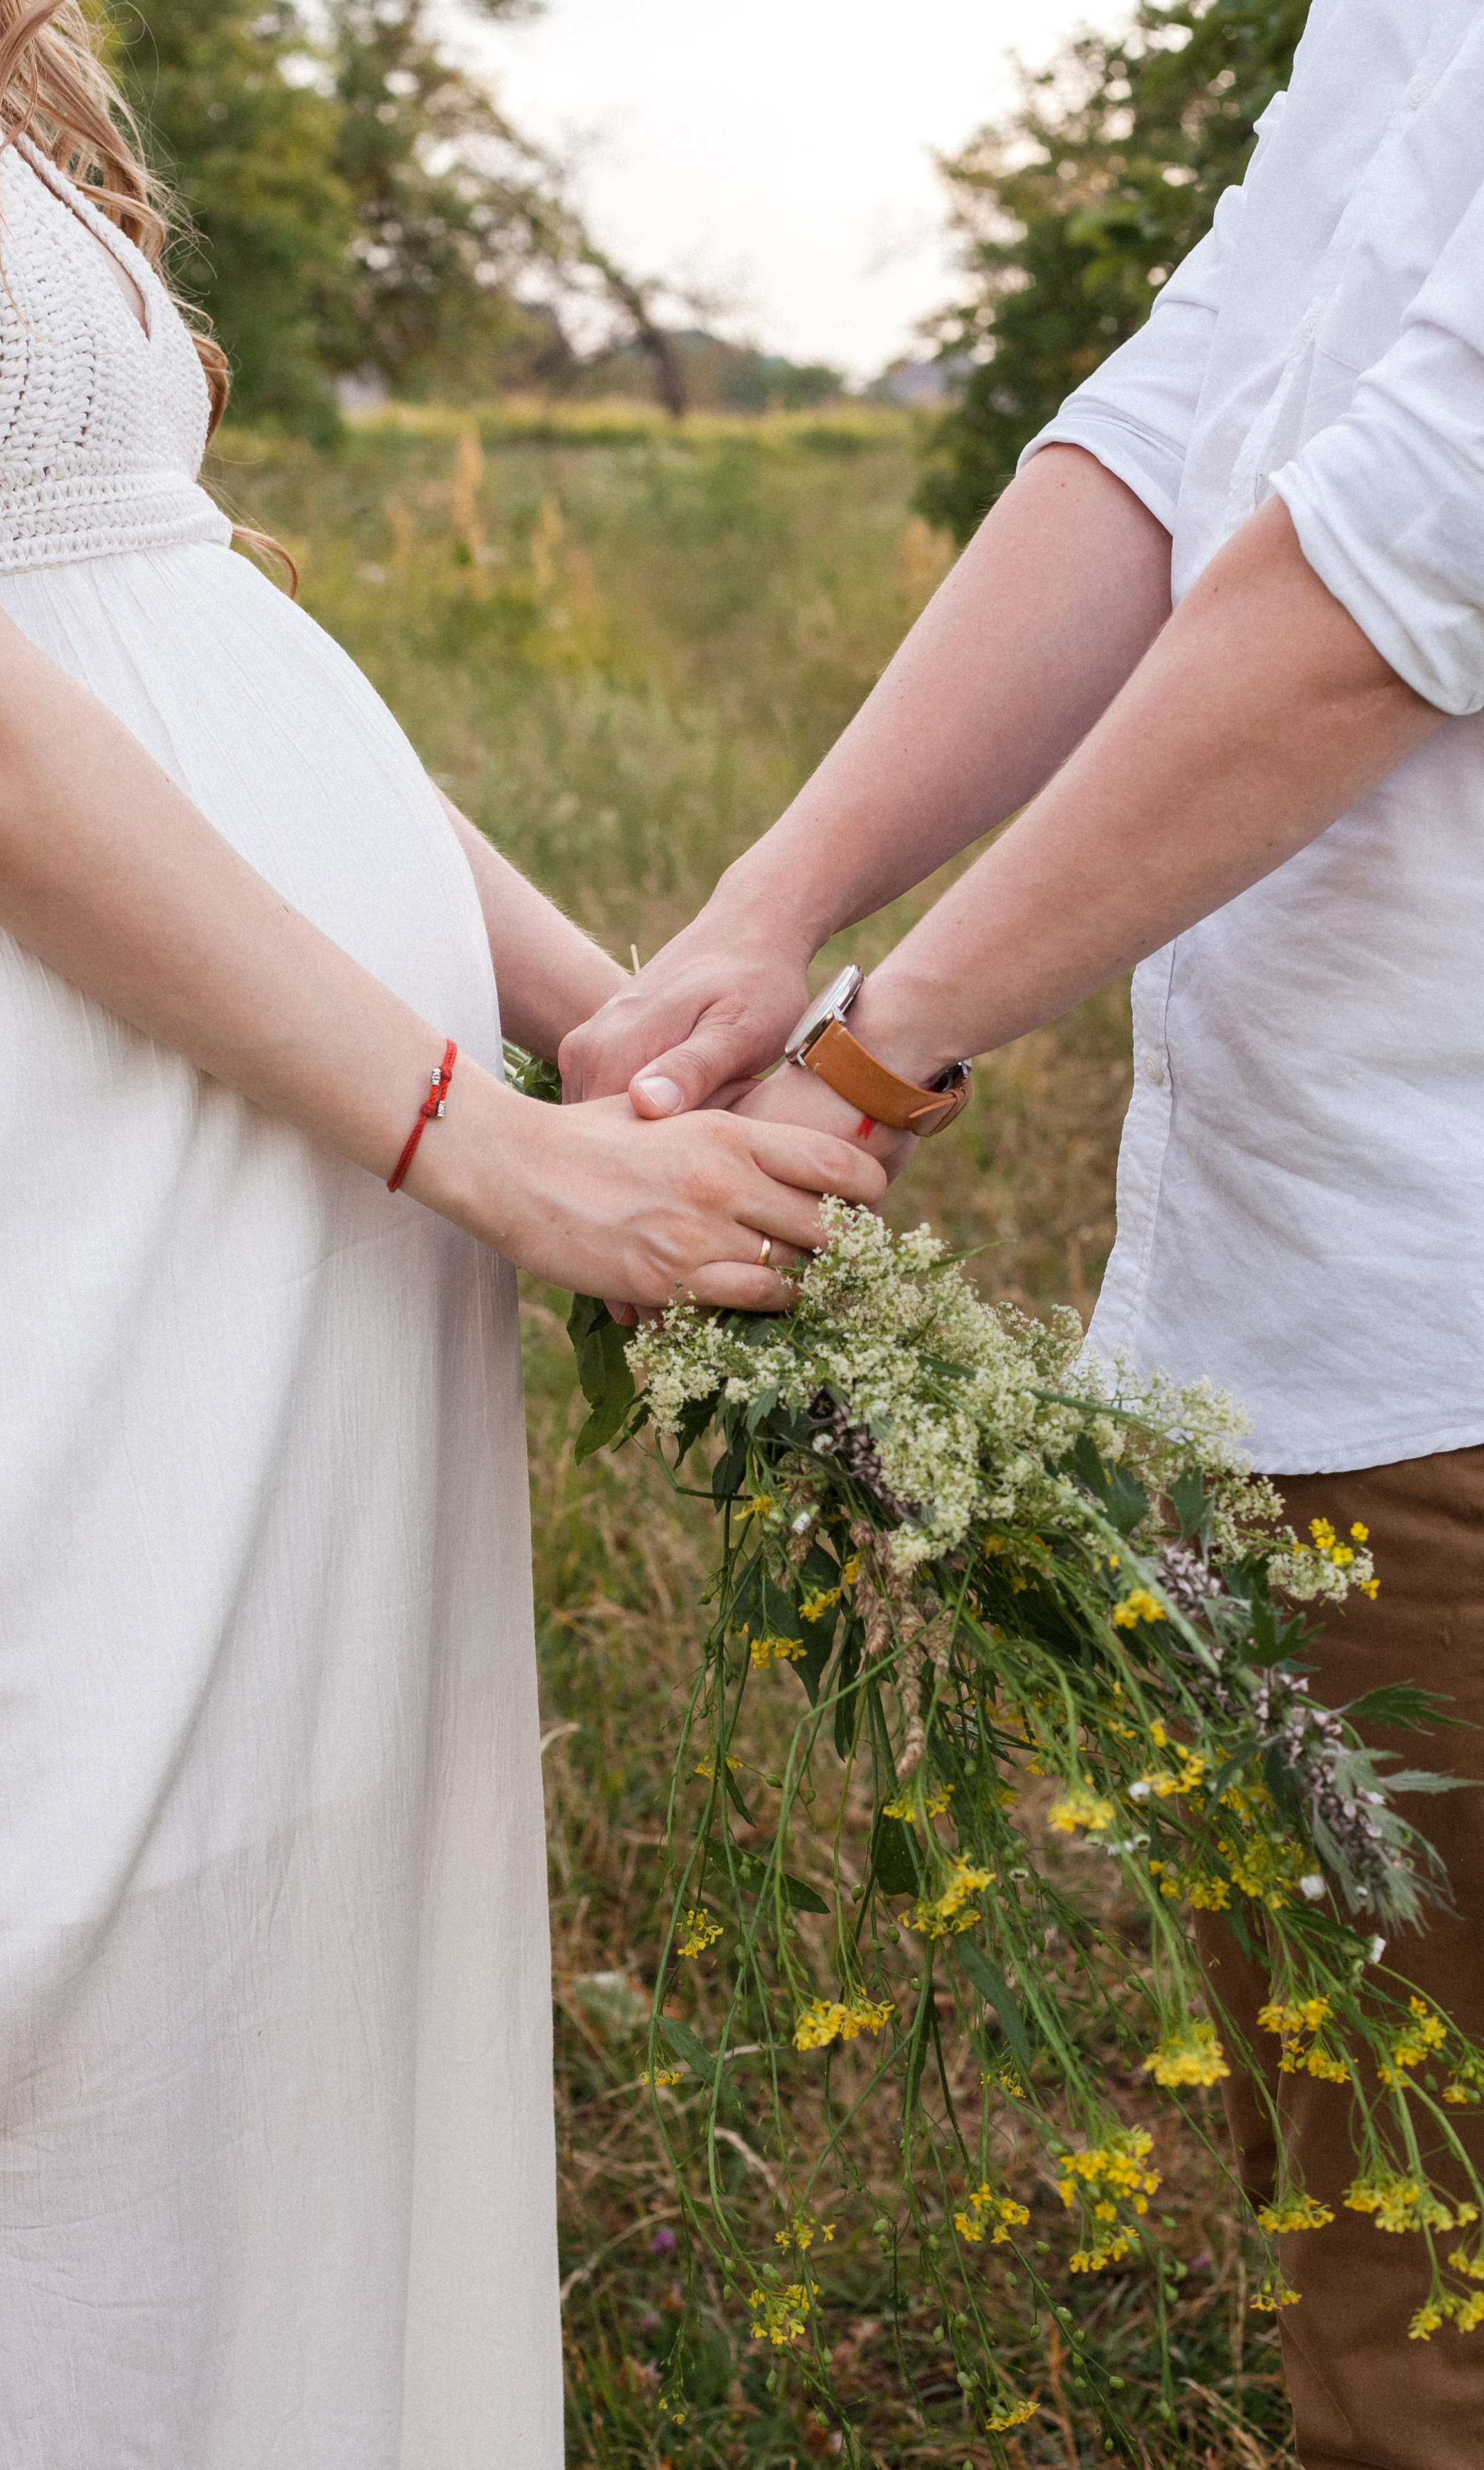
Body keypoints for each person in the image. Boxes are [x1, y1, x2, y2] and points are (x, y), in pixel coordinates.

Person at [0, 10, 884, 2465]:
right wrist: (495, 1153)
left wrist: (587, 1014)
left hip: (264, 1199)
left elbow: (175, 620)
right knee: (41, 2024)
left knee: (270, 2002)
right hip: (51, 1204)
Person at [565, 5, 1484, 2463]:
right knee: (1376, 2238)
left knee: (1439, 2332)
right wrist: (779, 912)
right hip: (1302, 1318)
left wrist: (877, 1050)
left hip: (1459, 1304)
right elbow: (1179, 423)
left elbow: (1391, 578)